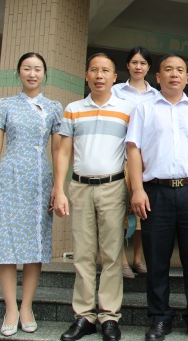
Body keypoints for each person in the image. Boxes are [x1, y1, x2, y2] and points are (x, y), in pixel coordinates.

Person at [127, 53, 188, 341]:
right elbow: (133, 150)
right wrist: (137, 189)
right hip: (155, 192)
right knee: (157, 259)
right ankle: (159, 317)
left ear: (187, 77)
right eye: (168, 69)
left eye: (180, 70)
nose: (174, 74)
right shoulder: (143, 109)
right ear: (158, 77)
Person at [52, 53, 133, 341]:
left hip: (113, 186)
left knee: (111, 254)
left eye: (105, 71)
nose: (99, 75)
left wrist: (133, 190)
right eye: (94, 70)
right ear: (86, 75)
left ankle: (109, 316)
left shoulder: (127, 109)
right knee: (83, 253)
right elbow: (63, 151)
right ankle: (84, 316)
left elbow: (133, 153)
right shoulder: (73, 109)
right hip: (80, 187)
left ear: (115, 77)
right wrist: (59, 189)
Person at [0, 52, 62, 336]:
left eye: (37, 69)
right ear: (19, 72)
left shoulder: (54, 107)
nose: (32, 73)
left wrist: (58, 186)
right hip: (9, 177)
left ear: (44, 74)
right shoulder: (5, 104)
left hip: (40, 180)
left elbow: (58, 149)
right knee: (6, 243)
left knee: (34, 245)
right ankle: (11, 308)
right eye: (27, 68)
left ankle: (26, 306)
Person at [112, 46, 158, 280]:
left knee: (143, 212)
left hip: (145, 159)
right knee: (119, 212)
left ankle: (138, 259)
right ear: (127, 65)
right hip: (119, 157)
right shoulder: (115, 91)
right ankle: (121, 261)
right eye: (134, 62)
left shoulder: (157, 95)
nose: (138, 67)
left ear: (149, 67)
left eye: (143, 63)